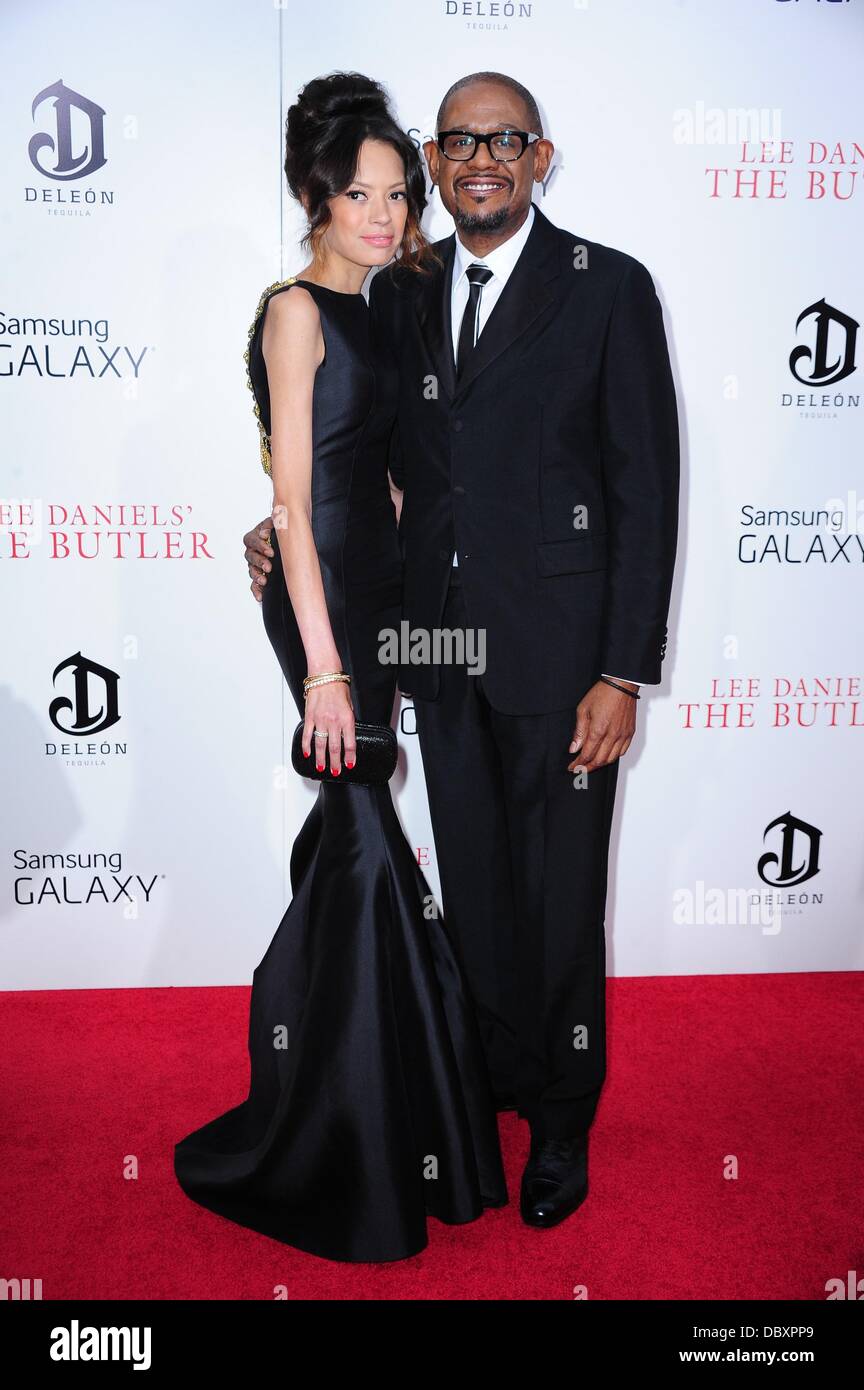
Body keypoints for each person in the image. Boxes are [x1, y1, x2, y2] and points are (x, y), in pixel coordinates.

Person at [245, 70, 680, 1229]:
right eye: (458, 142)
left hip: (566, 666)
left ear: (542, 158)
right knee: (477, 892)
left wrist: (622, 669)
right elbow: (367, 460)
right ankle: (486, 1085)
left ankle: (562, 1117)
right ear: (437, 163)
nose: (478, 158)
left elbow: (646, 491)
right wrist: (288, 529)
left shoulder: (608, 290)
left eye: (505, 139)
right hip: (437, 650)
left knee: (561, 897)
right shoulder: (402, 294)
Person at [174, 71, 507, 1264]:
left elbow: (395, 468)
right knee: (367, 832)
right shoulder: (297, 312)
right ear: (314, 196)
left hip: (388, 598)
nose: (384, 214)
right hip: (323, 616)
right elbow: (296, 507)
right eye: (359, 194)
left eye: (396, 193)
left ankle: (368, 1100)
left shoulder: (400, 300)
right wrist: (323, 670)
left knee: (359, 842)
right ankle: (345, 1134)